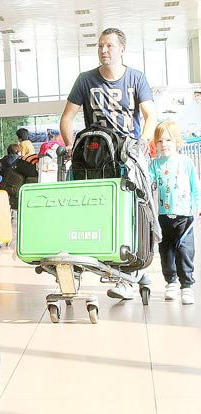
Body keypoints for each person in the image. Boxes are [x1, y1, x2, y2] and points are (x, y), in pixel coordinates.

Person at [59, 27, 157, 300]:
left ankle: (130, 272)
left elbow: (150, 115)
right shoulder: (85, 80)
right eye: (101, 45)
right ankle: (127, 269)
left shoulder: (136, 78)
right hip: (97, 155)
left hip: (128, 154)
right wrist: (70, 146)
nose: (104, 50)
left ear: (121, 50)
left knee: (134, 210)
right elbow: (67, 118)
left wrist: (142, 145)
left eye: (109, 46)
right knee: (102, 213)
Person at [148, 121, 201, 305]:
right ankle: (171, 282)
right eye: (160, 141)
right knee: (166, 252)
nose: (164, 144)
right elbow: (147, 182)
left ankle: (186, 286)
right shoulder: (154, 165)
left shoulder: (186, 162)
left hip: (185, 217)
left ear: (177, 141)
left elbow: (196, 186)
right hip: (164, 217)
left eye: (168, 140)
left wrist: (198, 204)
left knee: (185, 252)